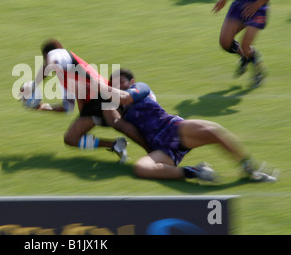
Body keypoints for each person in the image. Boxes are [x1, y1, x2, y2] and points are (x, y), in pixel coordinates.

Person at [106, 68, 278, 182]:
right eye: (113, 84)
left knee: (214, 130)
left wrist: (101, 86)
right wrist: (100, 92)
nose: (117, 86)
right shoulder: (118, 109)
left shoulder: (141, 88)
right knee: (140, 168)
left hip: (174, 129)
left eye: (121, 81)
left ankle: (249, 169)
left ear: (132, 81)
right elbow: (115, 122)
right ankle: (194, 171)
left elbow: (125, 97)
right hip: (160, 148)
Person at [19, 39, 150, 162]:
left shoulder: (61, 54)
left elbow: (51, 63)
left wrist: (34, 85)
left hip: (103, 95)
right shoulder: (62, 77)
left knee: (118, 123)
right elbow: (67, 108)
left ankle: (151, 151)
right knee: (71, 139)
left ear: (47, 55)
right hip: (91, 107)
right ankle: (116, 145)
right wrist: (43, 107)